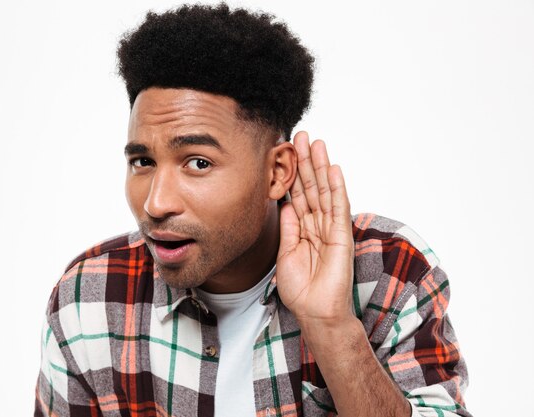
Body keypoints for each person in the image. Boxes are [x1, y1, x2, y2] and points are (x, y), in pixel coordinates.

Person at [34, 4, 471, 417]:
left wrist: (332, 327)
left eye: (198, 163)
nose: (155, 203)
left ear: (277, 172)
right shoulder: (88, 300)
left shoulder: (387, 273)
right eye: (142, 162)